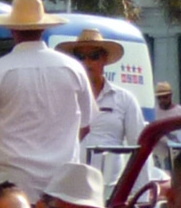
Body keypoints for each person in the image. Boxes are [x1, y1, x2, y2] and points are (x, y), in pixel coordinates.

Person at [0, 0, 92, 193]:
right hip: (61, 185)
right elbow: (85, 126)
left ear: (12, 29)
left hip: (12, 185)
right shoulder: (74, 68)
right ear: (43, 29)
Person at [57, 28, 143, 182]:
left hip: (110, 187)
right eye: (80, 57)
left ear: (104, 60)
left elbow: (139, 149)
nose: (87, 63)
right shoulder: (63, 97)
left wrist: (140, 195)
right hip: (71, 186)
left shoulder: (125, 100)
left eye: (94, 56)